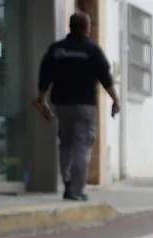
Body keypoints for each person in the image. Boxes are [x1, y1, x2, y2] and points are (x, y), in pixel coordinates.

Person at [36, 12, 120, 201]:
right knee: (82, 146)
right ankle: (76, 189)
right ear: (87, 29)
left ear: (70, 27)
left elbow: (44, 75)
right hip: (84, 106)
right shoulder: (92, 50)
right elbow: (106, 78)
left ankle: (66, 181)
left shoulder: (57, 49)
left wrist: (41, 99)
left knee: (65, 142)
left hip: (62, 105)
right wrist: (116, 100)